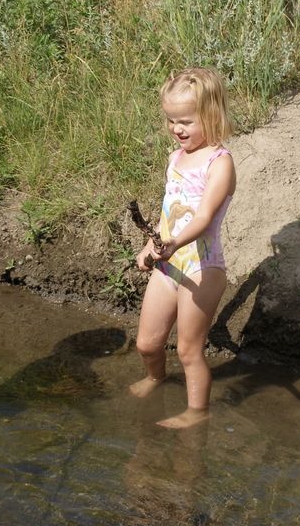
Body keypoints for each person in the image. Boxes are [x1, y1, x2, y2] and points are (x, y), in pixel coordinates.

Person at [129, 67, 236, 429]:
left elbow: (204, 217)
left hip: (202, 268)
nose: (177, 128)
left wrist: (174, 243)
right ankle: (155, 377)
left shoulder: (220, 163)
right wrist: (152, 244)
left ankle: (196, 414)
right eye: (172, 120)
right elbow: (168, 212)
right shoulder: (176, 158)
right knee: (147, 343)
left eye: (186, 121)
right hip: (168, 266)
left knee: (189, 350)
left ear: (212, 114)